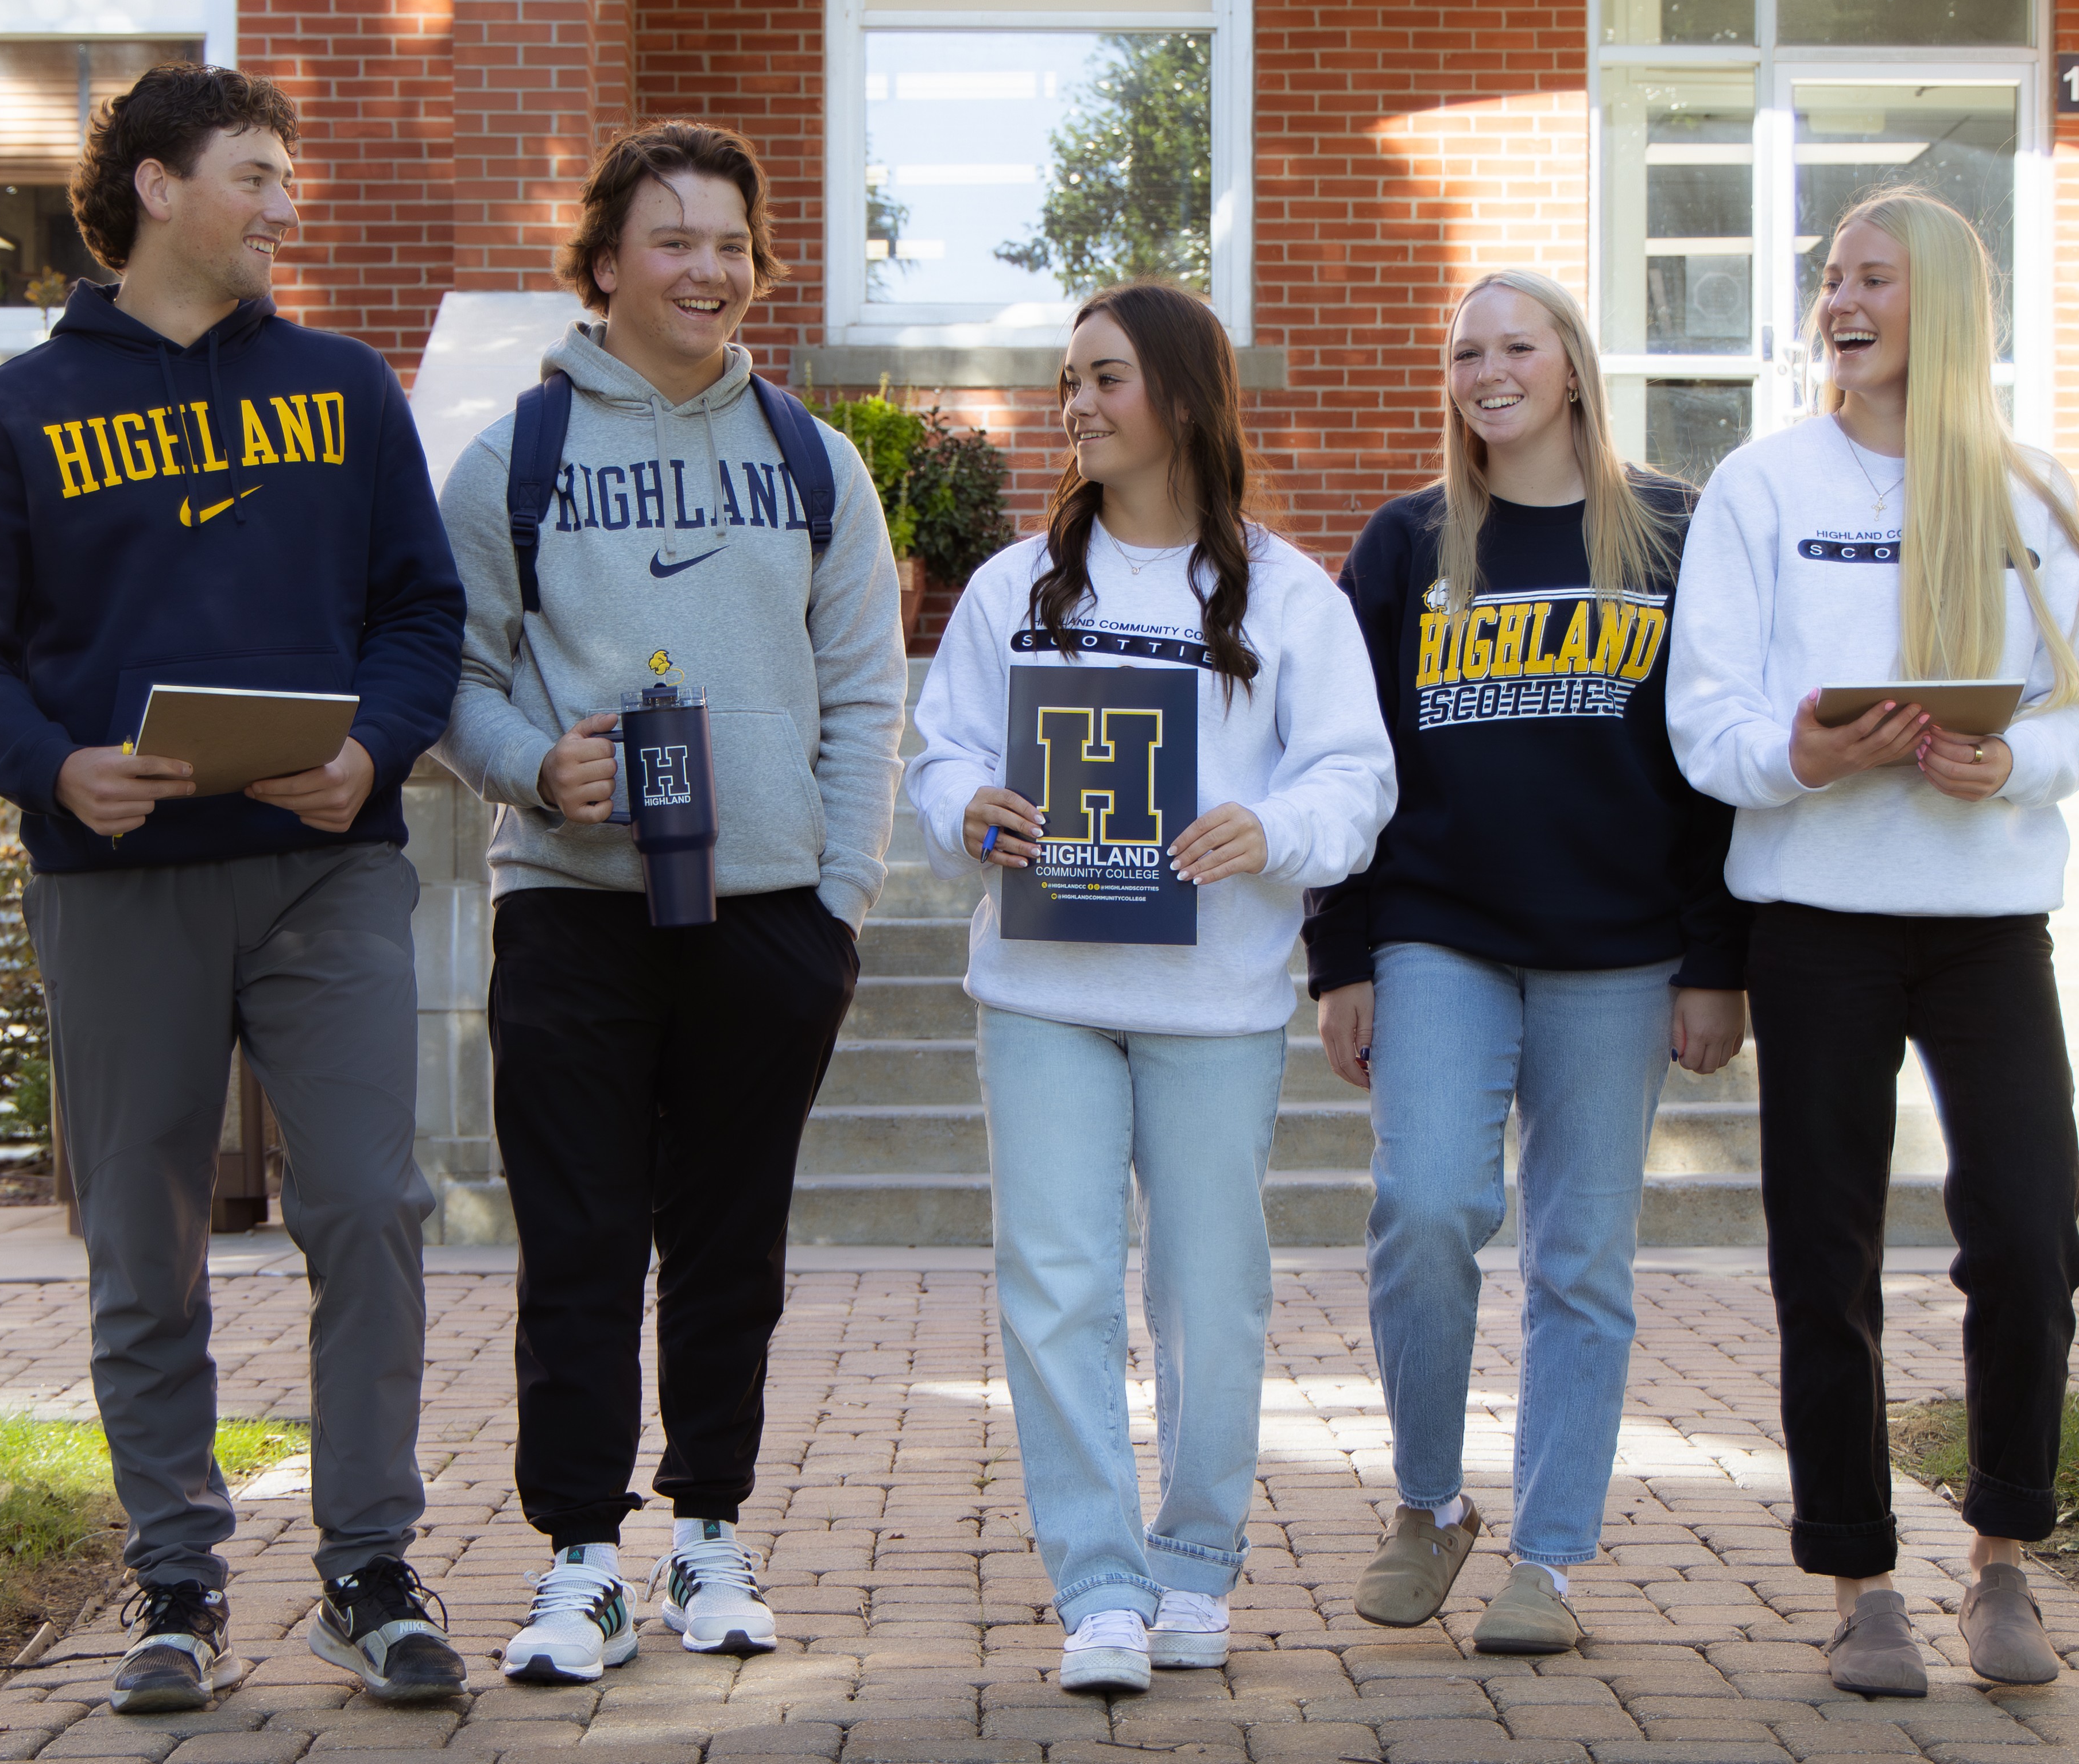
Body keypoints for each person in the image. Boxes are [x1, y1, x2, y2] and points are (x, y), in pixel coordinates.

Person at [0, 63, 470, 1713]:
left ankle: (368, 1567)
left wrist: (372, 748)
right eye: (256, 176)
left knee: (368, 1202)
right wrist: (50, 764)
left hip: (325, 874)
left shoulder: (346, 389)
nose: (284, 207)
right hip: (121, 877)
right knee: (143, 1244)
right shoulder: (14, 416)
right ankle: (175, 1579)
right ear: (157, 188)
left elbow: (418, 617)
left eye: (286, 177)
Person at [429, 121, 904, 1685]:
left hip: (765, 922)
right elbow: (455, 674)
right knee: (575, 1245)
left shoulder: (811, 461)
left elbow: (860, 693)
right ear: (607, 261)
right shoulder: (518, 457)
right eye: (675, 239)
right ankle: (580, 1559)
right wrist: (524, 770)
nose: (710, 269)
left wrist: (834, 901)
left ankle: (710, 1532)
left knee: (728, 1247)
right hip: (573, 918)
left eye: (732, 243)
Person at [905, 282, 1397, 1698]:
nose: (1074, 406)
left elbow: (1355, 781)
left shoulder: (1287, 593)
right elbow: (936, 753)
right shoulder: (1014, 588)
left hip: (1215, 1001)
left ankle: (1193, 1567)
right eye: (1066, 381)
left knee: (1209, 1293)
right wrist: (967, 809)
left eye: (1103, 378)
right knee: (1054, 1287)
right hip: (1043, 990)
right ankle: (1101, 1587)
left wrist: (1274, 832)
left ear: (1181, 396)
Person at [1664, 187, 2079, 1699]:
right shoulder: (1759, 486)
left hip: (1986, 924)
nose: (1840, 300)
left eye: (1873, 278)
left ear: (1942, 305)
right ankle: (1858, 1579)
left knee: (2031, 1237)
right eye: (1829, 277)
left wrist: (2014, 764)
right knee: (1826, 1252)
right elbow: (1705, 722)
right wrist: (1808, 750)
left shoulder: (2027, 495)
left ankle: (2004, 1561)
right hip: (1819, 921)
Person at [1301, 269, 1749, 1656]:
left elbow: (1711, 775)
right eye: (1464, 351)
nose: (1486, 369)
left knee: (1582, 1260)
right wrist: (1340, 955)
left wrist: (1713, 962)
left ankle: (1547, 1560)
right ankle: (1428, 1505)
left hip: (1619, 950)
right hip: (1439, 927)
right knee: (1427, 1206)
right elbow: (1345, 754)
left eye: (1515, 345)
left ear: (1570, 365)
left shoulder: (1672, 531)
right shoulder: (1405, 543)